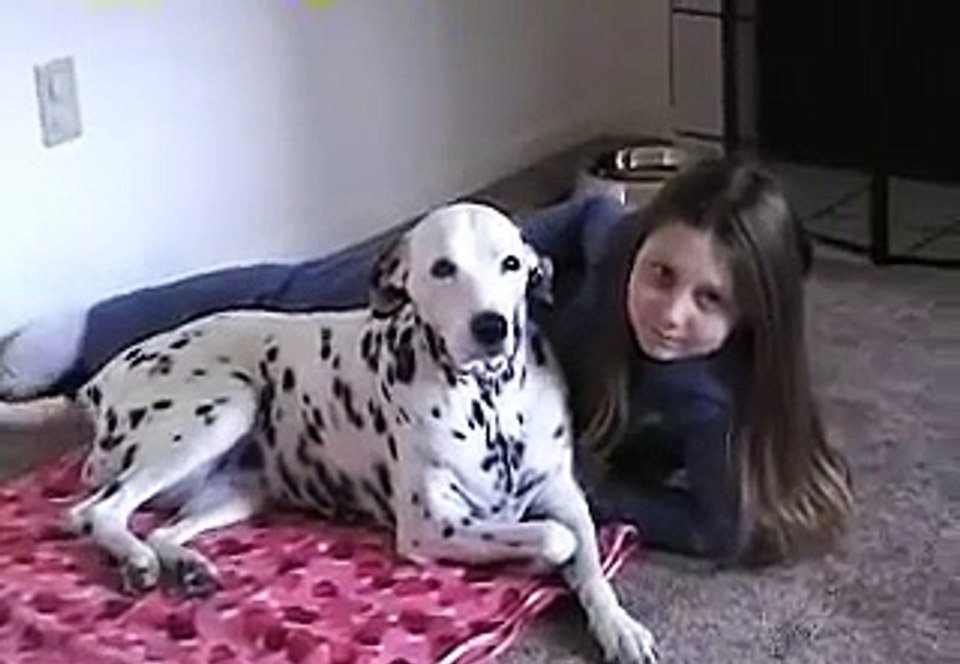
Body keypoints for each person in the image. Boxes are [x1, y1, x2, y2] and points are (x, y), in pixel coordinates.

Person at [0, 158, 853, 566]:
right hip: (537, 262)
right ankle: (86, 337)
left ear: (751, 319)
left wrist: (581, 484)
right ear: (642, 250)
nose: (671, 313)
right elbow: (599, 225)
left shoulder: (715, 397)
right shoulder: (608, 246)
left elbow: (718, 528)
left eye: (710, 300)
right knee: (296, 298)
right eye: (663, 277)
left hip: (540, 386)